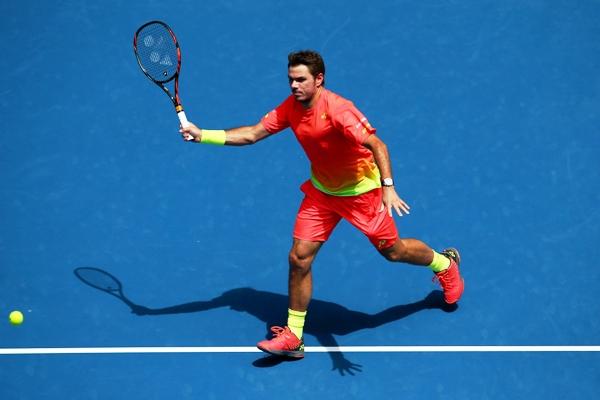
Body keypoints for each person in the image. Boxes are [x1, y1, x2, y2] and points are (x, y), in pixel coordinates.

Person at [179, 50, 464, 359]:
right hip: (322, 193)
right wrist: (202, 134)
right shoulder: (291, 108)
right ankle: (294, 336)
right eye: (290, 79)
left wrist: (388, 188)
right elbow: (252, 134)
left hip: (360, 193)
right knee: (299, 258)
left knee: (392, 252)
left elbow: (377, 144)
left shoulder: (340, 111)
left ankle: (444, 264)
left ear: (319, 79)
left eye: (300, 80)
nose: (294, 86)